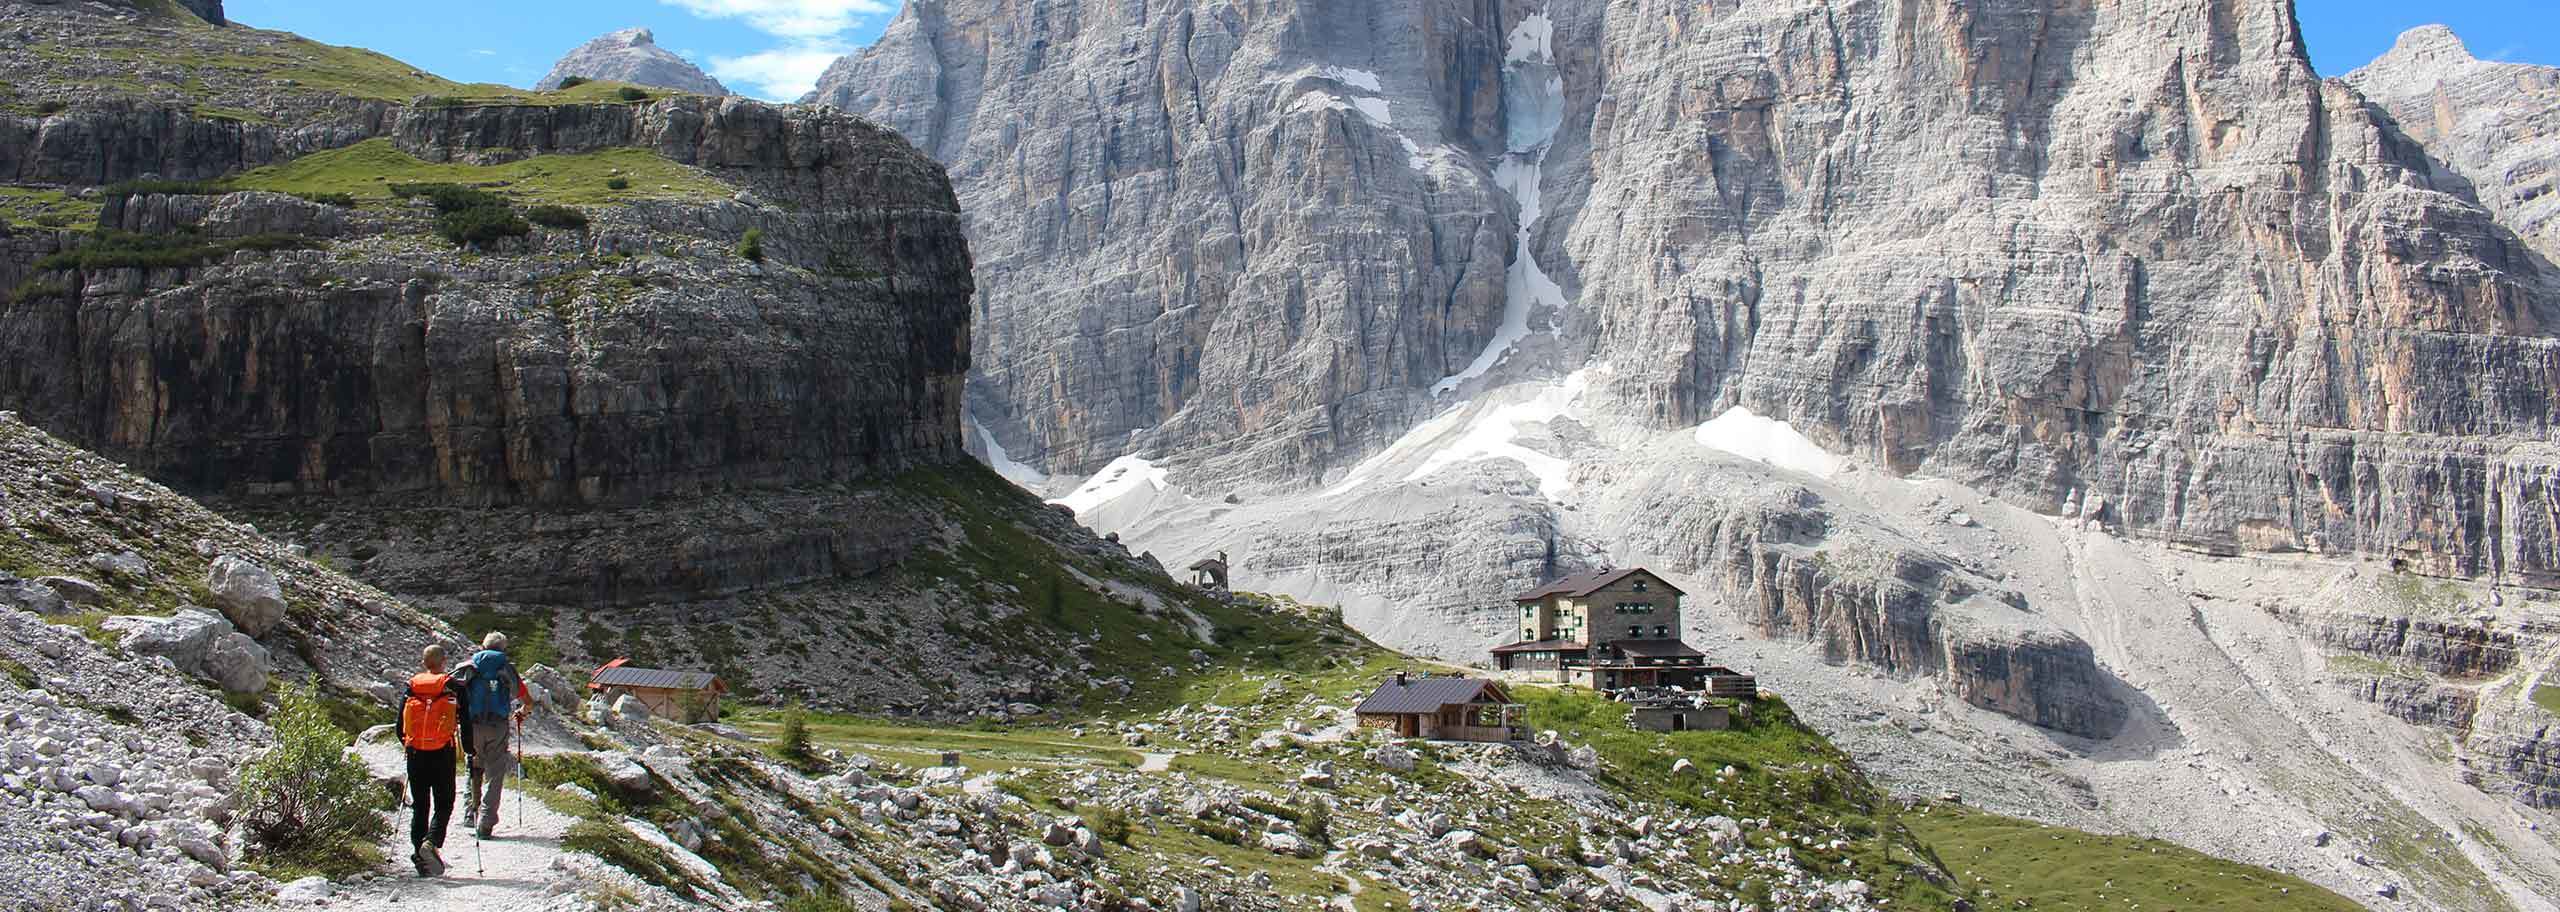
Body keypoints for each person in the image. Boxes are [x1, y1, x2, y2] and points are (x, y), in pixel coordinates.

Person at [456, 631, 531, 839]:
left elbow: (452, 692)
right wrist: (521, 713)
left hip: (472, 725)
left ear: (483, 647)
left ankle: (470, 813)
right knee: (495, 773)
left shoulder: (469, 666)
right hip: (497, 726)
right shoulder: (506, 668)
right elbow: (527, 700)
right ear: (502, 649)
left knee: (473, 766)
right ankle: (486, 824)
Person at [394, 644, 460, 877]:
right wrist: (470, 751)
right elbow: (466, 719)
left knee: (420, 806)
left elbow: (399, 727)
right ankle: (431, 843)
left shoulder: (411, 686)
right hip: (443, 752)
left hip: (415, 753)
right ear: (443, 663)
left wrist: (411, 745)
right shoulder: (450, 685)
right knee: (445, 801)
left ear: (424, 663)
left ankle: (419, 857)